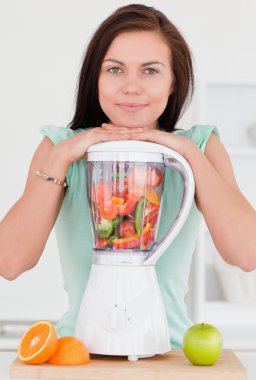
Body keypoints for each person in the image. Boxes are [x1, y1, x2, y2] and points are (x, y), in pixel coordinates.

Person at [0, 4, 256, 349]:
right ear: (97, 78)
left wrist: (189, 155)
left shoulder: (200, 146)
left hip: (172, 352)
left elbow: (246, 254)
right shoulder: (59, 147)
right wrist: (61, 158)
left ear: (172, 82)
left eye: (150, 71)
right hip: (77, 352)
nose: (131, 86)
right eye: (115, 69)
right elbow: (10, 262)